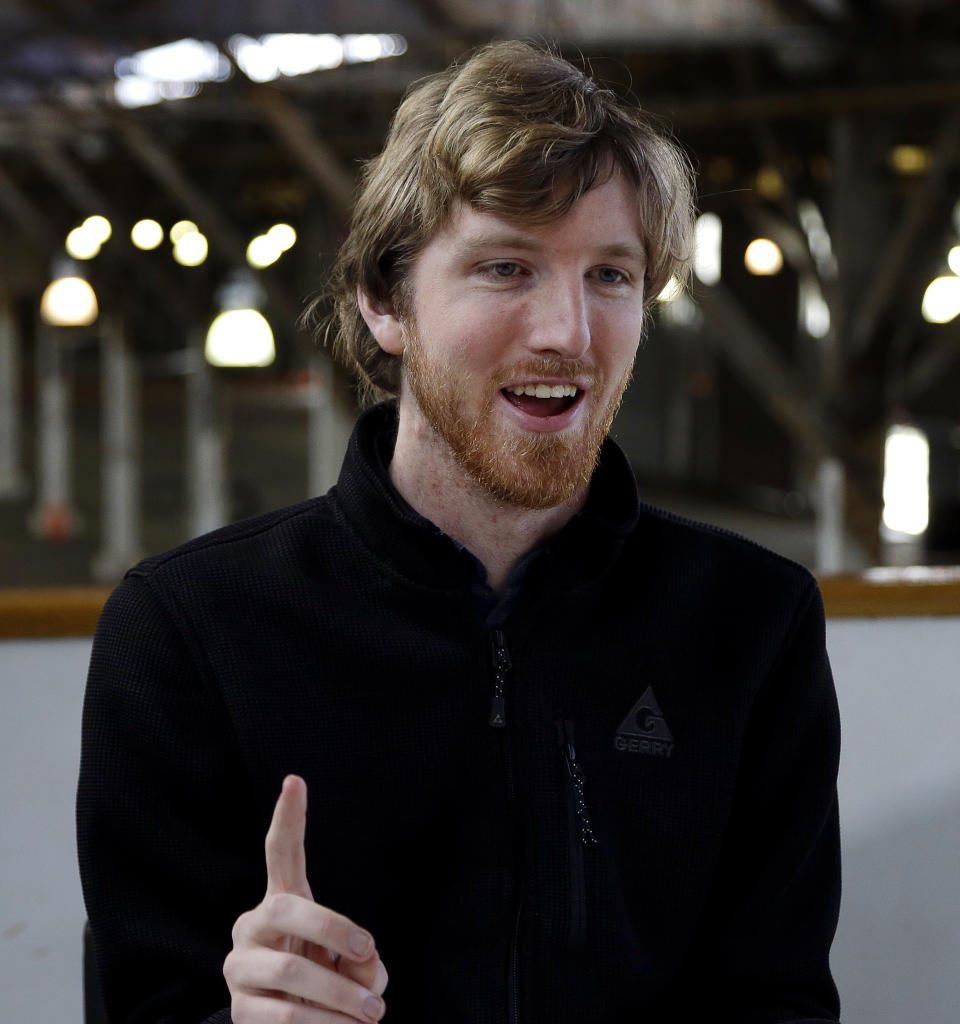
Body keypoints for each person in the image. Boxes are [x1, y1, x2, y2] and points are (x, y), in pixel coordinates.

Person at [77, 39, 842, 1024]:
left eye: (611, 275)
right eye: (506, 266)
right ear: (384, 300)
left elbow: (780, 1005)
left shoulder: (750, 625)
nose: (569, 329)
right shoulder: (189, 632)